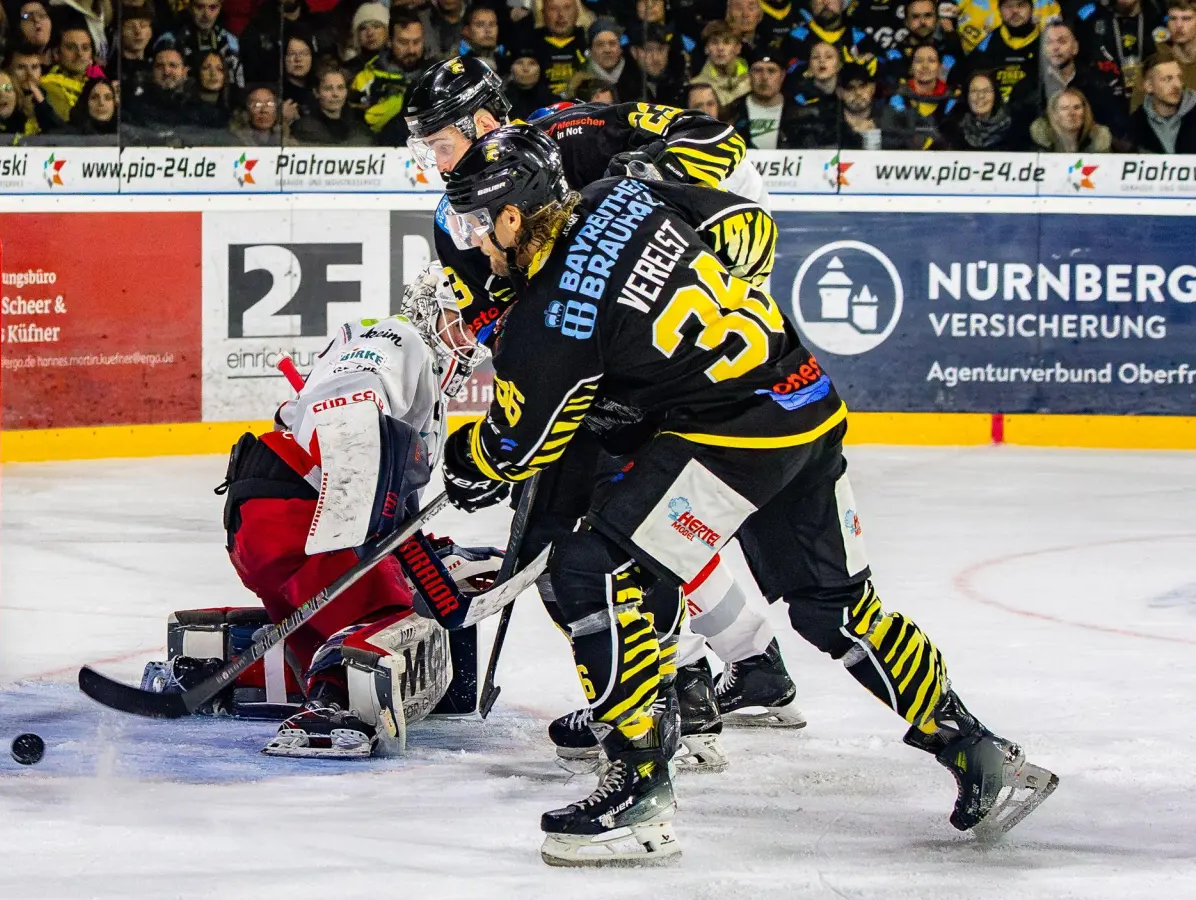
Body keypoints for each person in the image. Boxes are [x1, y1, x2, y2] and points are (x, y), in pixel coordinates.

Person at [437, 125, 1060, 866]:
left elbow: (514, 450)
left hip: (738, 434)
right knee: (836, 610)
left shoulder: (549, 319)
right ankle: (977, 750)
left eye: (481, 223)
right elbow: (744, 223)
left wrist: (464, 461)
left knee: (589, 568)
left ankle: (639, 788)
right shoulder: (619, 194)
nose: (476, 242)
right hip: (804, 392)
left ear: (514, 215)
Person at [403, 57, 801, 770]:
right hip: (598, 358)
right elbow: (503, 321)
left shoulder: (571, 134)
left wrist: (647, 179)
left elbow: (715, 142)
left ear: (483, 123)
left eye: (436, 142)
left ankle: (672, 689)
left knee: (614, 516)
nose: (431, 162)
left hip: (676, 332)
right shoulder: (457, 217)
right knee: (622, 510)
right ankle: (744, 660)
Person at [217, 265, 488, 758]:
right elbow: (345, 416)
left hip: (278, 518)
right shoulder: (396, 337)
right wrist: (376, 514)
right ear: (430, 309)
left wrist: (426, 553)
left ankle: (241, 668)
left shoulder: (416, 366)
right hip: (300, 515)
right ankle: (331, 705)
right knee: (392, 619)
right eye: (460, 319)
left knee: (329, 623)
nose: (471, 336)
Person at [1029, 20, 1126, 133]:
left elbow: (1119, 131)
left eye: (1062, 41)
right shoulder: (1029, 88)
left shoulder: (1097, 86)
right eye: (1049, 42)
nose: (1055, 47)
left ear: (1075, 47)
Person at [350, 12, 430, 133]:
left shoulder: (436, 75)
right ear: (389, 41)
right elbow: (355, 127)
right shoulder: (368, 77)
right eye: (403, 42)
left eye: (417, 42)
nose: (411, 49)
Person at [953, 0, 1041, 103]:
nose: (1015, 11)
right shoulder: (989, 42)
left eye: (1021, 5)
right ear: (999, 10)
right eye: (1008, 6)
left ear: (1031, 9)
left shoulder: (1045, 42)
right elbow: (965, 73)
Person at [156, 0, 244, 88]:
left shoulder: (230, 41)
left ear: (220, 8)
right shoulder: (170, 39)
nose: (206, 14)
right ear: (190, 7)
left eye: (213, 7)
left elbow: (237, 84)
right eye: (199, 7)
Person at [885, 43, 954, 146]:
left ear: (939, 67)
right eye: (919, 61)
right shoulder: (897, 97)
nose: (925, 66)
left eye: (931, 61)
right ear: (911, 67)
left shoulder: (951, 100)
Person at [727, 46, 798, 147]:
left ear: (782, 76)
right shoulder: (733, 111)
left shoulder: (798, 110)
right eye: (758, 70)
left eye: (771, 71)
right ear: (749, 74)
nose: (764, 77)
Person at [940, 68, 1027, 146]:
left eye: (986, 91)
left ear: (995, 95)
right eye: (974, 91)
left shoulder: (1015, 131)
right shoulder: (949, 130)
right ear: (966, 96)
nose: (980, 96)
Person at [290, 66, 373, 143]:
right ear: (316, 92)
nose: (335, 94)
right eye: (328, 88)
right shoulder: (304, 128)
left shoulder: (359, 129)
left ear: (346, 92)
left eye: (340, 88)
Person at [1129, 55, 1196, 150]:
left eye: (1179, 78)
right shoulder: (1136, 124)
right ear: (1149, 86)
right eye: (1168, 79)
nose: (1177, 85)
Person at [1137, 0, 1196, 106]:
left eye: (1186, 18)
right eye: (1173, 18)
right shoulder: (1154, 58)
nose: (1179, 25)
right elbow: (1137, 109)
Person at [526, 0, 589, 95]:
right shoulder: (528, 43)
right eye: (553, 9)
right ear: (543, 13)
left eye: (567, 7)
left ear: (577, 11)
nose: (561, 14)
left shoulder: (589, 41)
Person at [1028, 84, 1115, 148]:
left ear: (1085, 112)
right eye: (1065, 108)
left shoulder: (1098, 145)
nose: (1071, 113)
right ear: (1054, 114)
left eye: (1077, 107)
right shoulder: (1038, 149)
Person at [41, 26, 98, 119]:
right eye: (71, 48)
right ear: (56, 53)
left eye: (85, 48)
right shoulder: (47, 85)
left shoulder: (97, 84)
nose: (80, 54)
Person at [694, 20, 752, 106]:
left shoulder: (754, 82)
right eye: (714, 42)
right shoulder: (696, 86)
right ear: (706, 48)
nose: (720, 48)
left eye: (727, 42)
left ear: (738, 48)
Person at [586, 19, 646, 100]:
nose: (607, 50)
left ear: (620, 48)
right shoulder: (582, 85)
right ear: (590, 51)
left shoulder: (638, 80)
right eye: (600, 45)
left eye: (612, 43)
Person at [503, 47, 559, 117]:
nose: (525, 69)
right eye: (519, 63)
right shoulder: (501, 102)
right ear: (511, 69)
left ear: (541, 69)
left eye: (532, 63)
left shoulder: (554, 104)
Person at [346, 1, 390, 72]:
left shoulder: (399, 64)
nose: (370, 33)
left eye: (376, 26)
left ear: (387, 30)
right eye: (363, 28)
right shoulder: (348, 69)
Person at [459, 5, 505, 70]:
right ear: (465, 30)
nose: (488, 30)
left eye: (492, 24)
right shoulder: (453, 58)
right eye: (480, 25)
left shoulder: (506, 58)